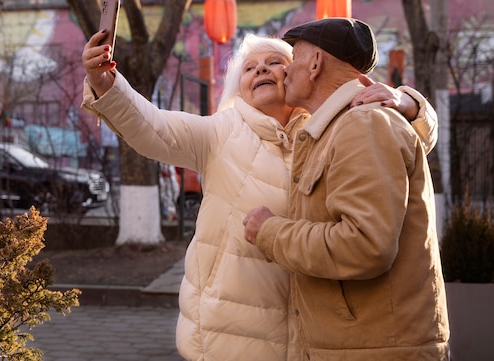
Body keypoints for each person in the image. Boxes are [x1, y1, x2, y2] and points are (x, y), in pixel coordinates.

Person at [81, 30, 438, 361]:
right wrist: (105, 82)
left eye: (275, 62)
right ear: (240, 89)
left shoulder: (330, 129)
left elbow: (402, 145)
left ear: (301, 74)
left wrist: (408, 104)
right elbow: (151, 126)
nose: (262, 70)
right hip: (230, 331)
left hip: (311, 333)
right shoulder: (220, 132)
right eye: (249, 69)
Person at [243, 18, 450, 360]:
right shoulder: (344, 126)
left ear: (315, 63)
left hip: (375, 350)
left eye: (293, 59)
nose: (285, 72)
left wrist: (269, 232)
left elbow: (366, 245)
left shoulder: (362, 125)